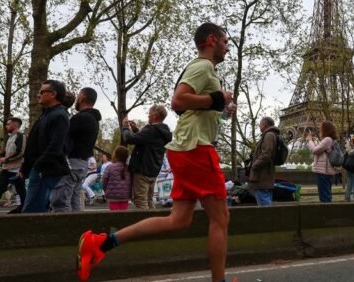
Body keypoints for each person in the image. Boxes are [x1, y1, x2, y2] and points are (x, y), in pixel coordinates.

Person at [77, 22, 235, 282]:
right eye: (225, 41)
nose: (227, 46)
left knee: (179, 220)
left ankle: (101, 244)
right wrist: (218, 99)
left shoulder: (205, 70)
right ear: (212, 40)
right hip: (196, 150)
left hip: (184, 150)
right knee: (221, 218)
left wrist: (221, 110)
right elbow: (178, 100)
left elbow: (186, 110)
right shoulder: (203, 66)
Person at [20, 79, 71, 213]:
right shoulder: (47, 114)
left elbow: (55, 146)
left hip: (45, 170)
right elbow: (34, 143)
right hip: (40, 168)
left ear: (53, 94)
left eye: (42, 92)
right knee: (33, 208)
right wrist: (25, 168)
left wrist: (37, 166)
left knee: (32, 210)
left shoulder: (59, 115)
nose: (38, 95)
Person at [51, 87, 102, 212]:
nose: (76, 100)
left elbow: (63, 136)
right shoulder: (93, 120)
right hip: (82, 164)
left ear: (82, 98)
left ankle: (64, 228)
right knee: (74, 199)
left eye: (78, 96)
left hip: (72, 163)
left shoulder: (80, 118)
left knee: (61, 200)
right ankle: (77, 227)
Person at [121, 105, 173, 209]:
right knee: (149, 200)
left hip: (142, 172)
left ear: (155, 116)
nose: (148, 116)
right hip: (153, 171)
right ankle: (155, 223)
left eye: (149, 114)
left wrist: (125, 127)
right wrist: (136, 131)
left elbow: (129, 139)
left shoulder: (151, 130)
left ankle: (147, 224)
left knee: (141, 202)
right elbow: (147, 141)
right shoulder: (163, 132)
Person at [0, 118, 27, 214]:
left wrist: (6, 159)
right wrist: (1, 153)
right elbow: (8, 153)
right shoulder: (9, 137)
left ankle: (26, 208)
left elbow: (21, 152)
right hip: (7, 169)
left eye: (8, 124)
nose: (6, 126)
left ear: (15, 125)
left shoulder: (21, 136)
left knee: (21, 191)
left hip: (17, 169)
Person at [248, 116, 279, 207]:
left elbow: (266, 154)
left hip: (262, 175)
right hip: (265, 174)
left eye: (260, 124)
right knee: (265, 199)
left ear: (264, 125)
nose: (259, 126)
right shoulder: (270, 135)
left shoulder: (269, 135)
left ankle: (269, 220)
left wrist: (254, 165)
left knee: (264, 204)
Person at [307, 120, 336, 203]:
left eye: (321, 128)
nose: (320, 130)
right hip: (326, 170)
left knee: (324, 196)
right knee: (326, 194)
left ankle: (326, 214)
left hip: (324, 171)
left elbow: (314, 150)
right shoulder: (330, 139)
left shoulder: (327, 139)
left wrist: (310, 140)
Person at [103, 146, 132, 211]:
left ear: (115, 155)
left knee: (114, 215)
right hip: (125, 196)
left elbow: (104, 181)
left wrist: (106, 191)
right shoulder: (129, 169)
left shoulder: (110, 167)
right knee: (124, 214)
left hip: (112, 196)